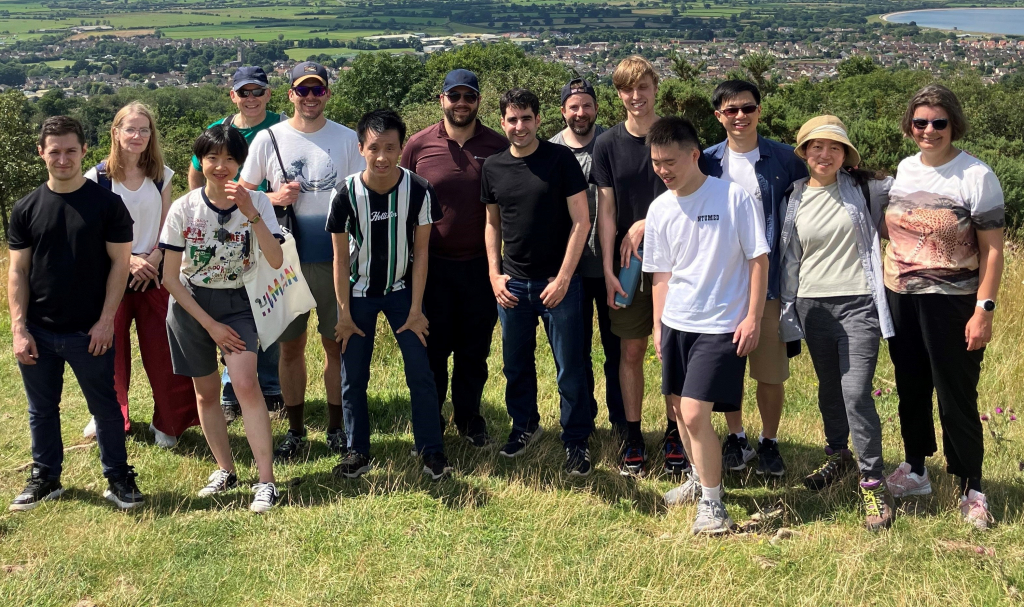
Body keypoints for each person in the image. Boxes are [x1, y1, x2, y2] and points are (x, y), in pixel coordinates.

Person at [882, 84, 1005, 530]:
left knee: (957, 396)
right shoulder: (905, 169)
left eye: (939, 122)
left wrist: (984, 309)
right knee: (910, 386)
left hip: (953, 302)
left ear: (954, 124)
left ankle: (971, 486)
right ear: (909, 126)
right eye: (920, 122)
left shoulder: (975, 175)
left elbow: (993, 251)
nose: (929, 130)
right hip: (901, 297)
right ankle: (916, 468)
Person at [8, 116, 144, 512]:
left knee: (105, 407)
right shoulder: (26, 208)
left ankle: (118, 477)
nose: (63, 159)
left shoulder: (107, 205)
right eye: (54, 152)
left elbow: (121, 265)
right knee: (41, 409)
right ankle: (46, 477)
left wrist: (105, 322)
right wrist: (19, 328)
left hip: (91, 331)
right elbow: (17, 270)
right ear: (41, 154)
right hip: (38, 330)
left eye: (71, 151)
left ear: (85, 151)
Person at [644, 116, 769, 535]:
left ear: (695, 155)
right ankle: (699, 479)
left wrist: (752, 316)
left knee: (697, 413)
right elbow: (660, 273)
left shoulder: (733, 198)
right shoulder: (659, 208)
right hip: (677, 322)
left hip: (721, 324)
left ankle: (714, 507)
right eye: (656, 162)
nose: (663, 170)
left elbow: (758, 260)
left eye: (670, 162)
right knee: (680, 410)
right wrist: (659, 326)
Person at [239, 61, 362, 461]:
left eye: (318, 90)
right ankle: (295, 430)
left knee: (334, 347)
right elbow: (241, 193)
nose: (310, 98)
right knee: (290, 349)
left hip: (334, 260)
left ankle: (335, 427)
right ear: (290, 94)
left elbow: (363, 194)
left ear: (327, 93)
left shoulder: (347, 139)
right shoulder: (268, 138)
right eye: (303, 90)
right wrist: (272, 199)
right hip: (284, 262)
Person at [778, 115, 896, 531]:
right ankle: (837, 456)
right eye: (815, 147)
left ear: (845, 154)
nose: (823, 154)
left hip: (859, 304)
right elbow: (789, 259)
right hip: (812, 307)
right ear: (804, 153)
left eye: (833, 147)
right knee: (829, 387)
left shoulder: (868, 189)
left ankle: (873, 483)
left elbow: (917, 190)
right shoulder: (792, 196)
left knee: (856, 391)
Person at [159, 124, 284, 513]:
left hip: (240, 300)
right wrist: (209, 325)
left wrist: (251, 214)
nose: (221, 166)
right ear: (201, 161)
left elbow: (277, 260)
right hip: (191, 303)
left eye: (230, 158)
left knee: (246, 385)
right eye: (213, 158)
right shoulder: (185, 206)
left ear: (241, 162)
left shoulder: (258, 202)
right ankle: (225, 469)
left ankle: (266, 481)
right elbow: (168, 277)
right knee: (205, 392)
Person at [327, 110, 453, 480]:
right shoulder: (345, 192)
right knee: (354, 379)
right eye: (374, 148)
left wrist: (416, 309)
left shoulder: (419, 189)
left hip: (402, 295)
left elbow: (422, 253)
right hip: (359, 295)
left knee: (421, 375)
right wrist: (343, 313)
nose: (382, 157)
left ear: (401, 147)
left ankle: (432, 451)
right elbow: (338, 260)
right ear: (361, 148)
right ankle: (357, 452)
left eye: (390, 148)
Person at [482, 88, 594, 476]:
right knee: (514, 364)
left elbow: (583, 220)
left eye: (526, 118)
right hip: (512, 285)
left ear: (538, 120)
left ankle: (577, 439)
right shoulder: (493, 167)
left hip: (558, 283)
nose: (519, 126)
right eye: (512, 119)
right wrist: (495, 275)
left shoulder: (559, 159)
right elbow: (492, 224)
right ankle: (524, 426)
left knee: (570, 367)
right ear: (502, 123)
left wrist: (564, 278)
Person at [702, 80, 808, 477]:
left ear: (759, 111)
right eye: (731, 111)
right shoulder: (707, 162)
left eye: (747, 108)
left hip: (768, 283)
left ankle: (769, 440)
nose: (740, 116)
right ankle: (736, 436)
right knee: (728, 368)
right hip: (721, 282)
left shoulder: (785, 159)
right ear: (719, 116)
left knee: (769, 370)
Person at [81, 102, 199, 450]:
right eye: (130, 129)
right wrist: (129, 259)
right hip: (111, 277)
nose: (137, 136)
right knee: (109, 352)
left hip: (155, 276)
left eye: (144, 130)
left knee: (163, 352)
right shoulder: (97, 177)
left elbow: (168, 225)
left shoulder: (161, 174)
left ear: (151, 135)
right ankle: (110, 416)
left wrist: (154, 257)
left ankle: (169, 420)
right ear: (115, 132)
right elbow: (93, 232)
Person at [400, 69, 508, 447]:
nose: (461, 103)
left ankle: (469, 418)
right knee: (432, 350)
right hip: (430, 268)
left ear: (478, 100)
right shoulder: (417, 145)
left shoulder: (496, 144)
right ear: (441, 100)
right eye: (454, 96)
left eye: (469, 96)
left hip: (481, 266)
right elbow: (402, 199)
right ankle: (431, 421)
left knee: (473, 351)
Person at [593, 55, 688, 478]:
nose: (635, 96)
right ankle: (633, 434)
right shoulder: (607, 144)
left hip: (680, 260)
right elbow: (606, 209)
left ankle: (673, 431)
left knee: (672, 350)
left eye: (642, 87)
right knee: (630, 350)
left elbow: (690, 189)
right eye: (627, 89)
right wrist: (609, 266)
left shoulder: (676, 136)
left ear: (655, 88)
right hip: (628, 264)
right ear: (619, 94)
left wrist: (647, 221)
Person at [188, 65, 287, 423]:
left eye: (257, 91)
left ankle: (271, 388)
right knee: (232, 312)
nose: (250, 99)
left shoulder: (282, 127)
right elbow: (197, 169)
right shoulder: (220, 130)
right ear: (233, 96)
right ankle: (233, 391)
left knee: (268, 307)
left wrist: (267, 201)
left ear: (268, 94)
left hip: (270, 228)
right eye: (243, 92)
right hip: (225, 234)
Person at [549, 78, 627, 442]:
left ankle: (622, 421)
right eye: (573, 107)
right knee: (575, 354)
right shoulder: (549, 150)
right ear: (563, 111)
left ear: (597, 108)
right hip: (570, 270)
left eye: (587, 105)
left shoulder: (612, 145)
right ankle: (583, 422)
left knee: (618, 350)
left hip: (612, 267)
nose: (581, 113)